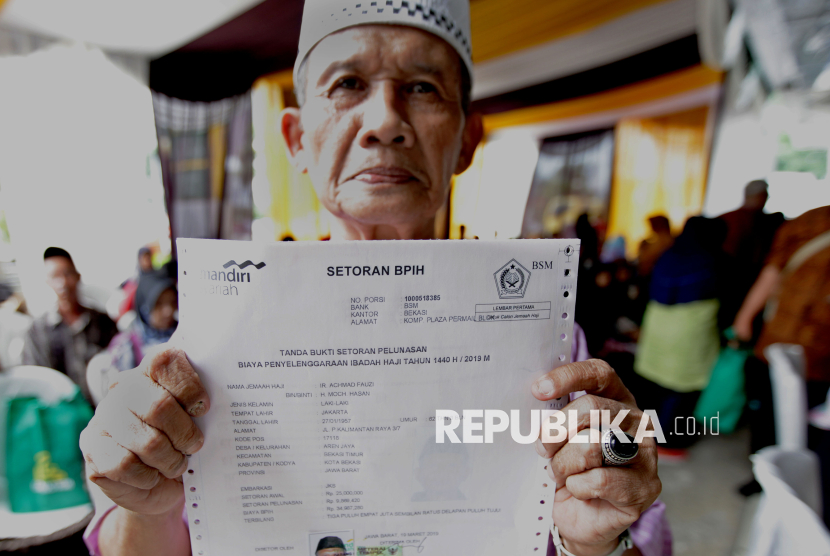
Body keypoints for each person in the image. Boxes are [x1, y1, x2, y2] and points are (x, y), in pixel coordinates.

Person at [79, 2, 664, 555]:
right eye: (347, 85)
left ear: (466, 140)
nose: (385, 121)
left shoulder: (553, 348)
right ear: (295, 139)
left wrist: (597, 541)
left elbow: (631, 536)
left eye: (422, 88)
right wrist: (147, 505)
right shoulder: (210, 339)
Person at [733, 205, 830, 506]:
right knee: (768, 416)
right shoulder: (811, 221)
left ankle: (794, 485)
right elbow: (774, 271)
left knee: (807, 423)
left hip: (820, 355)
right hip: (781, 342)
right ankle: (765, 475)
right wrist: (745, 317)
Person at [631, 217, 727, 455]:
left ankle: (640, 433)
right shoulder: (715, 261)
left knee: (654, 383)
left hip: (657, 326)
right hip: (691, 332)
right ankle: (667, 443)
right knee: (680, 389)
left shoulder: (667, 255)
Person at [23, 247, 117, 404]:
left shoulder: (102, 322)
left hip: (104, 411)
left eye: (67, 274)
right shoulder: (37, 331)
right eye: (55, 277)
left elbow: (119, 360)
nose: (63, 283)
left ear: (78, 276)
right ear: (47, 281)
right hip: (62, 416)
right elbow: (36, 379)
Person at [717, 180, 784, 328]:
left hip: (751, 280)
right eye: (764, 195)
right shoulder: (731, 219)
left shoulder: (766, 220)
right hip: (731, 280)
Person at [107, 272, 178, 373]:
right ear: (143, 307)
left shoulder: (182, 337)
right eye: (158, 304)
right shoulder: (126, 347)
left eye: (172, 302)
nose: (168, 311)